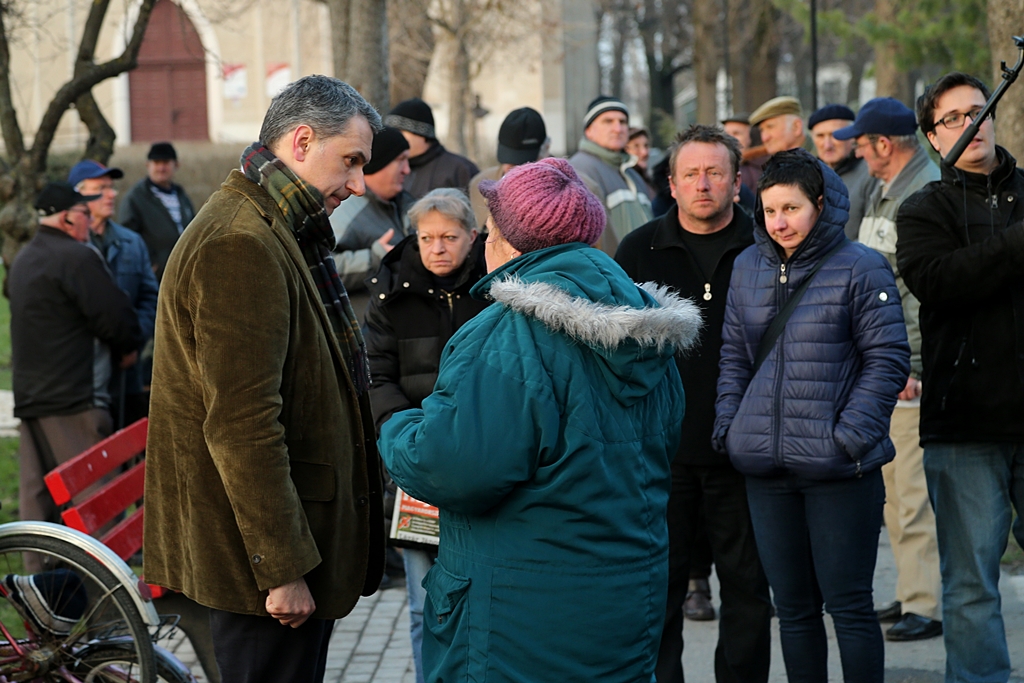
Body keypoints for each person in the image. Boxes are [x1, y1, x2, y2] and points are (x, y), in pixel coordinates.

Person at [378, 157, 700, 682]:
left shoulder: (508, 336)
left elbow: (450, 465)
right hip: (622, 601)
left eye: (489, 228)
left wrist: (393, 426)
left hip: (517, 619)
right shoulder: (648, 332)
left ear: (507, 243)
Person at [143, 76, 386, 683]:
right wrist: (282, 568)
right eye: (350, 161)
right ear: (302, 141)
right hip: (260, 567)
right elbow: (242, 424)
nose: (358, 185)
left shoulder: (274, 224)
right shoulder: (240, 242)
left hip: (277, 546)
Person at [714, 148, 910, 683]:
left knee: (848, 607)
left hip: (838, 471)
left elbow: (888, 359)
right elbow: (733, 355)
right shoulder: (747, 266)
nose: (780, 222)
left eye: (792, 209)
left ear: (820, 206)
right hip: (766, 470)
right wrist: (731, 428)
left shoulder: (861, 266)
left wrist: (848, 437)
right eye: (770, 211)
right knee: (794, 611)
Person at [616, 124, 772, 683]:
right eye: (691, 174)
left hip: (745, 453)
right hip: (661, 459)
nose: (702, 183)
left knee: (748, 591)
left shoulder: (766, 247)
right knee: (656, 592)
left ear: (737, 183)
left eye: (714, 172)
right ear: (672, 183)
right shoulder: (637, 251)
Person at [896, 72, 1024, 682]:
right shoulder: (923, 209)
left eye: (979, 110)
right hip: (965, 421)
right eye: (952, 119)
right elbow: (941, 283)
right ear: (932, 136)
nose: (971, 124)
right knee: (971, 585)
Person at [364, 188, 489, 683]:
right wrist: (408, 437)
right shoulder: (391, 292)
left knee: (480, 600)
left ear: (471, 237)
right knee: (424, 605)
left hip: (482, 466)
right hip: (415, 472)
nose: (436, 247)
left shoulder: (494, 287)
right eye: (426, 237)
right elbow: (376, 375)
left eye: (448, 237)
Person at [832, 97, 944, 643]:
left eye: (862, 141)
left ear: (884, 144)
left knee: (913, 490)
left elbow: (918, 292)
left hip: (907, 368)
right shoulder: (883, 190)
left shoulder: (919, 192)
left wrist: (911, 363)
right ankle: (910, 591)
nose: (856, 149)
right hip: (887, 361)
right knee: (896, 491)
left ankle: (926, 601)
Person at [10, 182, 142, 571]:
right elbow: (118, 320)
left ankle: (45, 611)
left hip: (32, 402)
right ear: (68, 216)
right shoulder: (78, 257)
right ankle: (110, 618)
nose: (89, 220)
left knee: (39, 510)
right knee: (97, 511)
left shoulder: (22, 260)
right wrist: (127, 348)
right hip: (77, 400)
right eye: (84, 213)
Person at [69, 160, 159, 428]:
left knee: (130, 454)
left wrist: (132, 343)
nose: (111, 194)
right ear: (79, 195)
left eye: (112, 188)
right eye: (101, 188)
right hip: (82, 376)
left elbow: (149, 298)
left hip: (126, 374)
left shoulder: (132, 242)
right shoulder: (69, 247)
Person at [330, 126, 415, 318]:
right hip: (364, 333)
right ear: (379, 162)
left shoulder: (407, 204)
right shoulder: (343, 212)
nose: (407, 170)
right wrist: (374, 258)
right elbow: (320, 268)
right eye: (401, 160)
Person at [569, 96, 654, 255]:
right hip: (613, 274)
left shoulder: (632, 173)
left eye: (622, 122)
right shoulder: (580, 171)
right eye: (608, 121)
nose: (618, 128)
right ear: (589, 131)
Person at [118, 142, 195, 282]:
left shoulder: (181, 196)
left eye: (166, 162)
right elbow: (126, 236)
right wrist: (150, 262)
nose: (161, 168)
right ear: (148, 165)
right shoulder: (135, 198)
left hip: (185, 274)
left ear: (176, 165)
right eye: (156, 162)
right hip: (154, 278)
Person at [384, 98, 479, 198]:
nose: (394, 138)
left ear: (422, 134)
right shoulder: (389, 167)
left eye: (400, 132)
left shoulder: (461, 169)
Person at [469, 107, 547, 228]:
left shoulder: (575, 187)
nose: (510, 168)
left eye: (521, 162)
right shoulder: (480, 184)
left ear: (545, 149)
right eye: (507, 158)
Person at [809, 104, 878, 239]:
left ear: (852, 137)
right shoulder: (806, 175)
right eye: (820, 136)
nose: (827, 145)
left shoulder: (870, 173)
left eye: (834, 135)